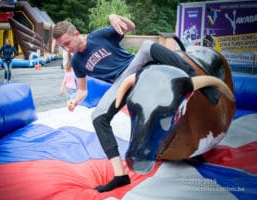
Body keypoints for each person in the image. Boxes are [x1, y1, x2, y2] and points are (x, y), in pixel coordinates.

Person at [53, 14, 195, 192]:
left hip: (133, 66)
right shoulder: (76, 61)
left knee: (147, 46)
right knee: (97, 117)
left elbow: (130, 26)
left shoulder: (98, 36)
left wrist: (114, 17)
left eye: (67, 43)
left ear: (76, 33)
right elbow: (82, 90)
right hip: (119, 84)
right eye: (62, 46)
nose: (66, 49)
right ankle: (120, 175)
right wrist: (74, 100)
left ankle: (194, 76)